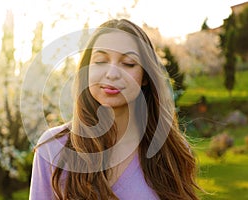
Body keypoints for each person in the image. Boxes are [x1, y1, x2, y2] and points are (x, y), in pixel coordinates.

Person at [29, 19, 201, 200]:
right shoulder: (52, 148)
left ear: (145, 76)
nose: (112, 73)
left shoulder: (172, 151)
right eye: (100, 61)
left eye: (128, 63)